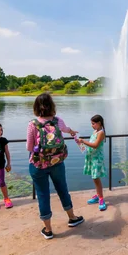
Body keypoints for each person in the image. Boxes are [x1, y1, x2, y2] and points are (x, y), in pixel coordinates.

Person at [27, 93, 84, 239]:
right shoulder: (58, 121)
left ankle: (48, 230)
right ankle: (72, 218)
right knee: (62, 189)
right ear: (52, 105)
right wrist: (71, 131)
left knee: (42, 194)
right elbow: (65, 129)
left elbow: (29, 147)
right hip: (57, 162)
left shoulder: (33, 124)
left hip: (38, 164)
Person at [77, 115, 107, 211]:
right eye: (91, 123)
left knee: (96, 177)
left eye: (93, 123)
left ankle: (101, 198)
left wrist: (83, 141)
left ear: (99, 123)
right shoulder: (95, 132)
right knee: (94, 178)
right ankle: (98, 195)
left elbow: (95, 145)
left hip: (97, 158)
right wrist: (81, 143)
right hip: (92, 157)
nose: (92, 125)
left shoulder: (101, 133)